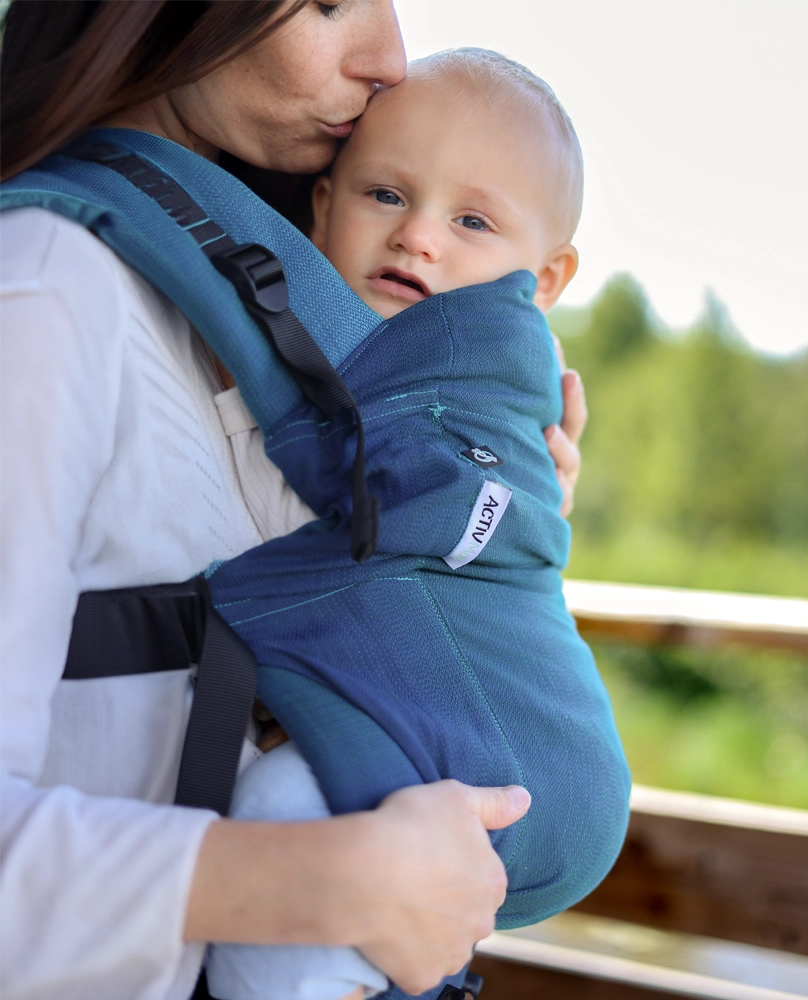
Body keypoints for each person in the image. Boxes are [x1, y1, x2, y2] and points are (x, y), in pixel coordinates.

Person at [0, 3, 588, 999]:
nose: (387, 57)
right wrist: (332, 882)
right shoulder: (47, 283)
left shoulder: (266, 307)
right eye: (325, 2)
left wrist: (493, 542)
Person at [205, 49, 630, 1000]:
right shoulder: (302, 341)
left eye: (472, 220)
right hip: (417, 751)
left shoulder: (479, 389)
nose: (420, 238)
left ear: (547, 277)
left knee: (287, 816)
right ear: (320, 208)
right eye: (386, 195)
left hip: (502, 755)